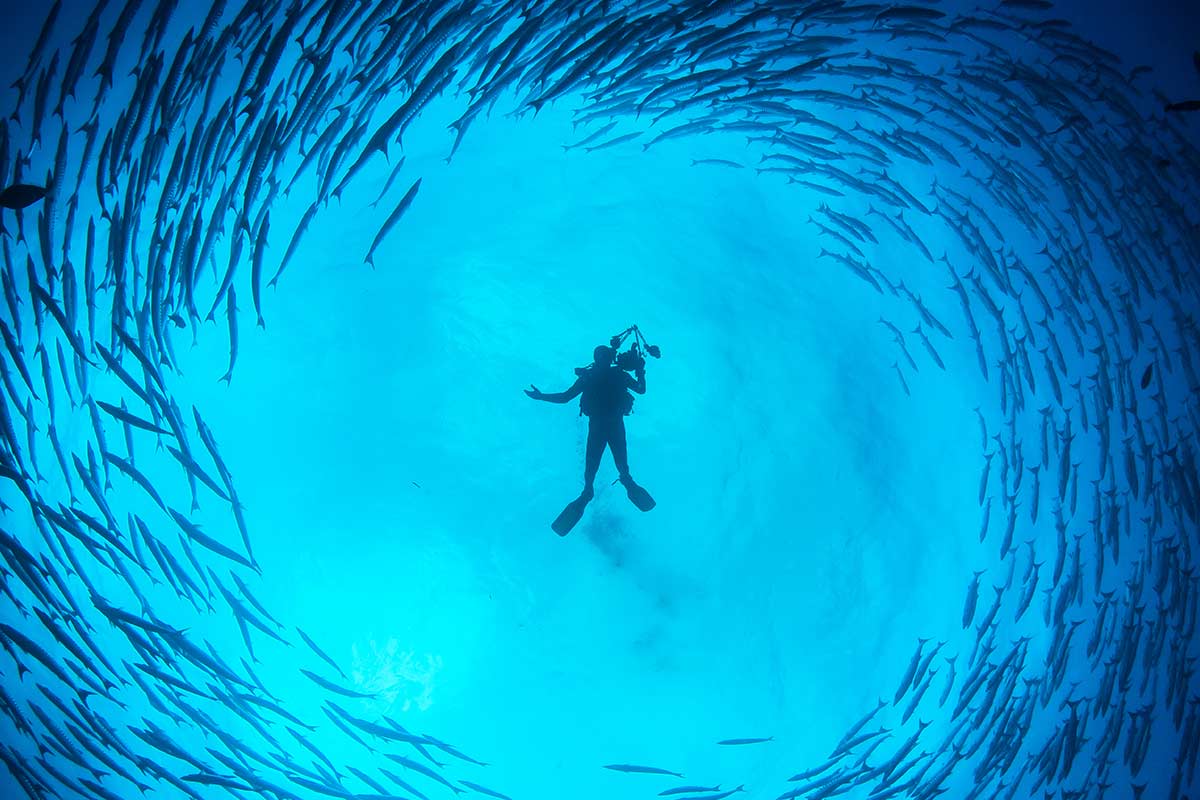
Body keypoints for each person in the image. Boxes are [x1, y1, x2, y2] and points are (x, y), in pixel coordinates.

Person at [526, 344, 655, 535]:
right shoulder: (611, 375)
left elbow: (565, 397)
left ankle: (594, 490)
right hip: (611, 425)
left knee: (602, 468)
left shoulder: (593, 376)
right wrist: (640, 370)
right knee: (611, 467)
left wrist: (541, 396)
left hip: (601, 426)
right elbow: (641, 388)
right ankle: (607, 486)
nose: (602, 360)